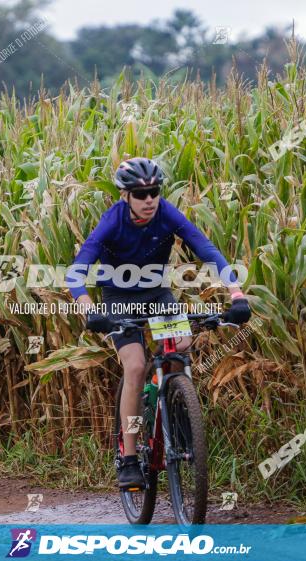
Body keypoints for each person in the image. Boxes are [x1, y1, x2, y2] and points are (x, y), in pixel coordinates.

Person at [69, 157, 251, 488]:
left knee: (181, 345)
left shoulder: (165, 212)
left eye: (154, 191)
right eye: (141, 194)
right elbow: (77, 269)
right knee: (136, 367)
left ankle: (176, 410)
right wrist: (87, 307)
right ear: (125, 196)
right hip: (119, 300)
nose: (149, 199)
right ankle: (128, 455)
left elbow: (205, 248)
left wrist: (236, 293)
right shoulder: (113, 221)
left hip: (157, 295)